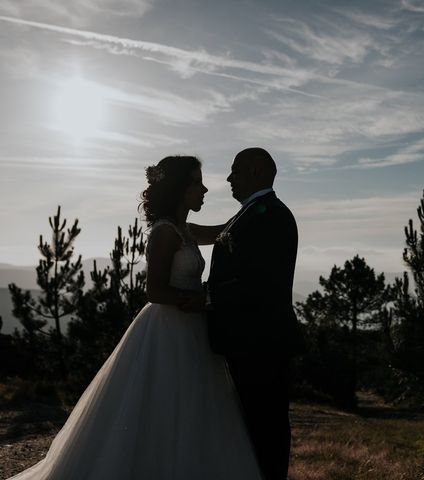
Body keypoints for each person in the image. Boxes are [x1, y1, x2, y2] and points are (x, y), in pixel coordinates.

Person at [9, 155, 263, 480]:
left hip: (193, 331)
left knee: (192, 413)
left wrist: (256, 207)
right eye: (197, 182)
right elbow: (154, 291)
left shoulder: (185, 230)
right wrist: (203, 300)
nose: (204, 189)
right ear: (180, 188)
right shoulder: (165, 233)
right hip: (168, 330)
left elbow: (224, 231)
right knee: (162, 408)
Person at [204, 147, 304, 480]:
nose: (229, 178)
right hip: (248, 342)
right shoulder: (252, 213)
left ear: (256, 171)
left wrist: (204, 297)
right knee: (254, 429)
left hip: (260, 344)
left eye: (235, 170)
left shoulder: (271, 215)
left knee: (266, 430)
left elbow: (258, 283)